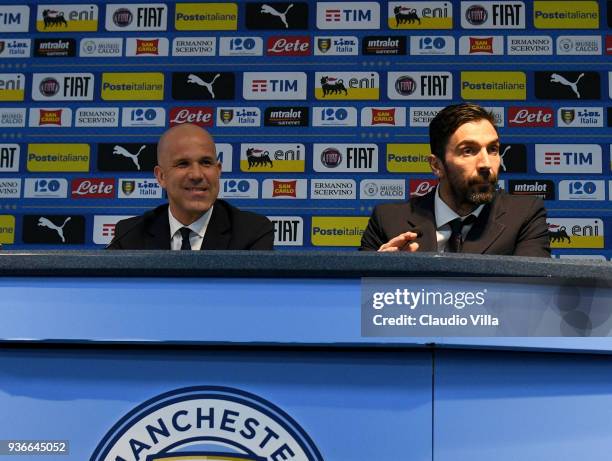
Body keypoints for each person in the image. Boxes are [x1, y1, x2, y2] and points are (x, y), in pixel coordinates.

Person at [360, 103, 550, 257]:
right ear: (436, 165)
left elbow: (532, 295)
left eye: (492, 149)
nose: (486, 164)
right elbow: (360, 299)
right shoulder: (387, 220)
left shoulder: (524, 215)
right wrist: (379, 273)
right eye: (468, 151)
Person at [107, 124, 274, 250]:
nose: (196, 174)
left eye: (206, 163)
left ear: (218, 171)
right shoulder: (130, 234)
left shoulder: (252, 232)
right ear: (161, 176)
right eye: (183, 164)